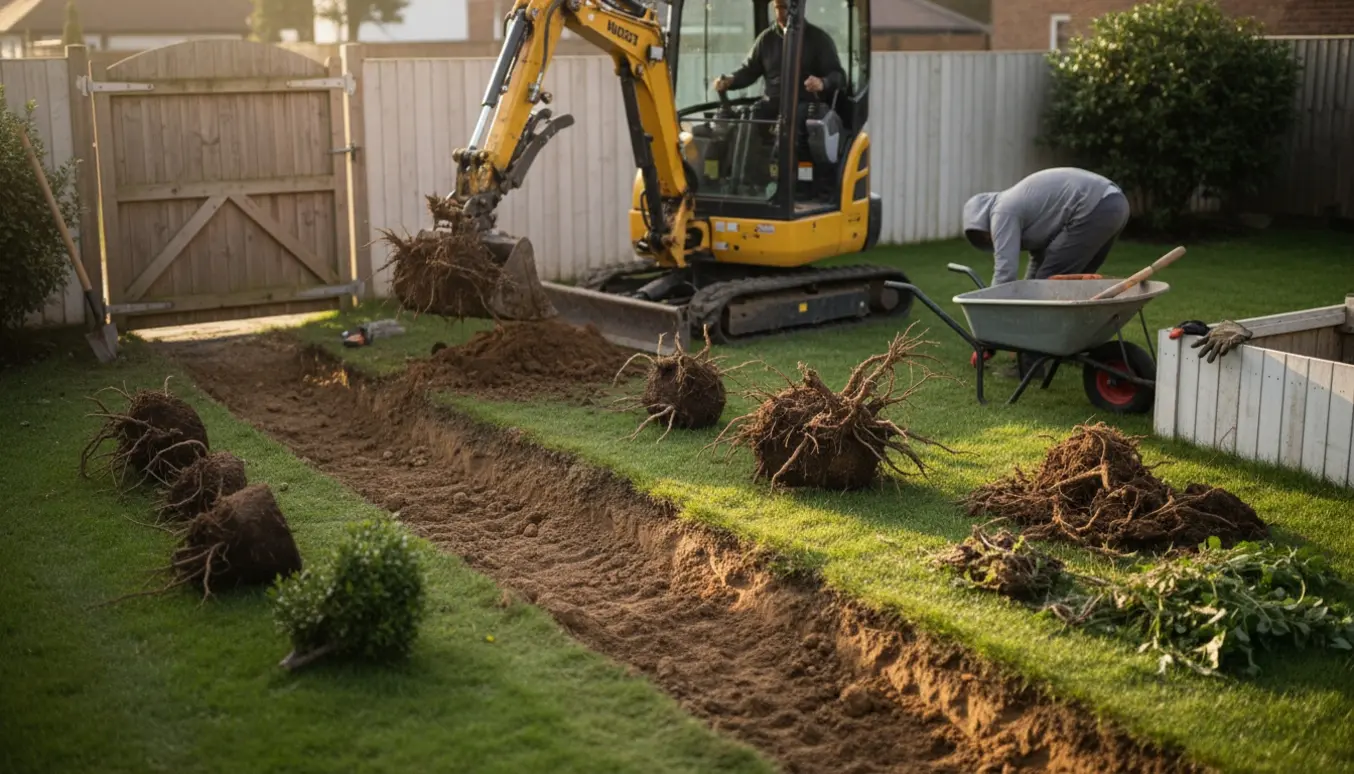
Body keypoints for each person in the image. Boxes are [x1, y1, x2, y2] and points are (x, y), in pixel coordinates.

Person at [711, 0, 846, 197]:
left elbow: (839, 76)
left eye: (785, 7)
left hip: (805, 102)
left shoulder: (818, 39)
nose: (781, 13)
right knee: (750, 116)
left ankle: (797, 186)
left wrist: (822, 82)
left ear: (796, 7)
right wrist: (731, 80)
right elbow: (749, 70)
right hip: (773, 103)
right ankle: (744, 182)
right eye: (777, 7)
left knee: (794, 122)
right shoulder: (766, 39)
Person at [962, 167, 1130, 287]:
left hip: (1096, 206)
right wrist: (1027, 290)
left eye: (985, 234)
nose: (990, 239)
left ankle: (1038, 327)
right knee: (1076, 284)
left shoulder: (1002, 212)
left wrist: (991, 307)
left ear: (984, 217)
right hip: (1115, 203)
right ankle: (1075, 327)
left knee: (1047, 284)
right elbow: (1038, 260)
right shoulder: (1020, 210)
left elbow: (1006, 271)